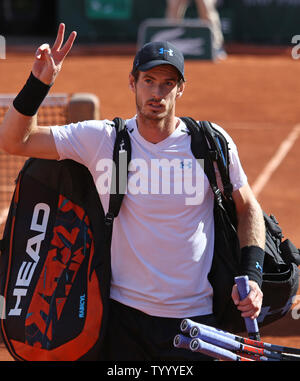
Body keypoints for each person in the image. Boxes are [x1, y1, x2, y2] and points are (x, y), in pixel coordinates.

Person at [0, 24, 265, 361]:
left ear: (181, 89)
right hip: (121, 319)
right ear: (133, 83)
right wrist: (39, 83)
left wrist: (252, 276)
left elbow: (248, 208)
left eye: (168, 83)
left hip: (194, 323)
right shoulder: (103, 140)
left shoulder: (210, 144)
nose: (157, 93)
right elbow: (13, 141)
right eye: (149, 82)